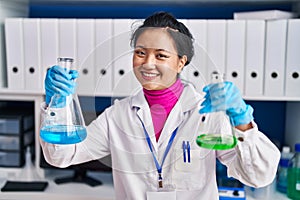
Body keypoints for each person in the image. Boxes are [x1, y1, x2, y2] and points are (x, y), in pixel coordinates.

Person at [40, 11, 280, 200]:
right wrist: (57, 104)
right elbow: (61, 156)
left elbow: (258, 176)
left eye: (161, 55)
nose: (148, 63)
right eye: (140, 52)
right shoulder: (117, 116)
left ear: (180, 62)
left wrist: (242, 120)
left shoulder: (207, 114)